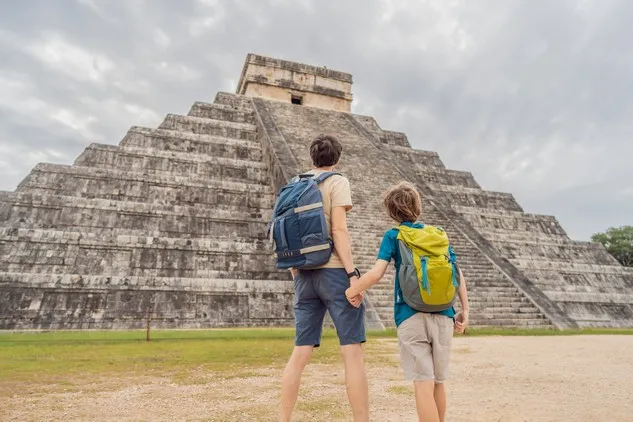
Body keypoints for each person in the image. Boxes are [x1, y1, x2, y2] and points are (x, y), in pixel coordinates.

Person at [345, 181, 469, 422]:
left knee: (423, 383)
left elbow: (377, 273)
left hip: (410, 315)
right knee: (439, 383)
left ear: (392, 212)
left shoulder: (394, 235)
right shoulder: (438, 235)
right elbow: (457, 272)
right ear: (418, 207)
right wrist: (465, 309)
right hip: (445, 314)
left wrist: (352, 290)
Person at [279, 134, 369, 422]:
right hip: (333, 273)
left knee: (299, 354)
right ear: (337, 159)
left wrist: (295, 269)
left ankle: (283, 419)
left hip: (304, 274)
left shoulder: (295, 184)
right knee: (351, 352)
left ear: (312, 157)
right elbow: (339, 231)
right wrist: (353, 274)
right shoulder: (336, 182)